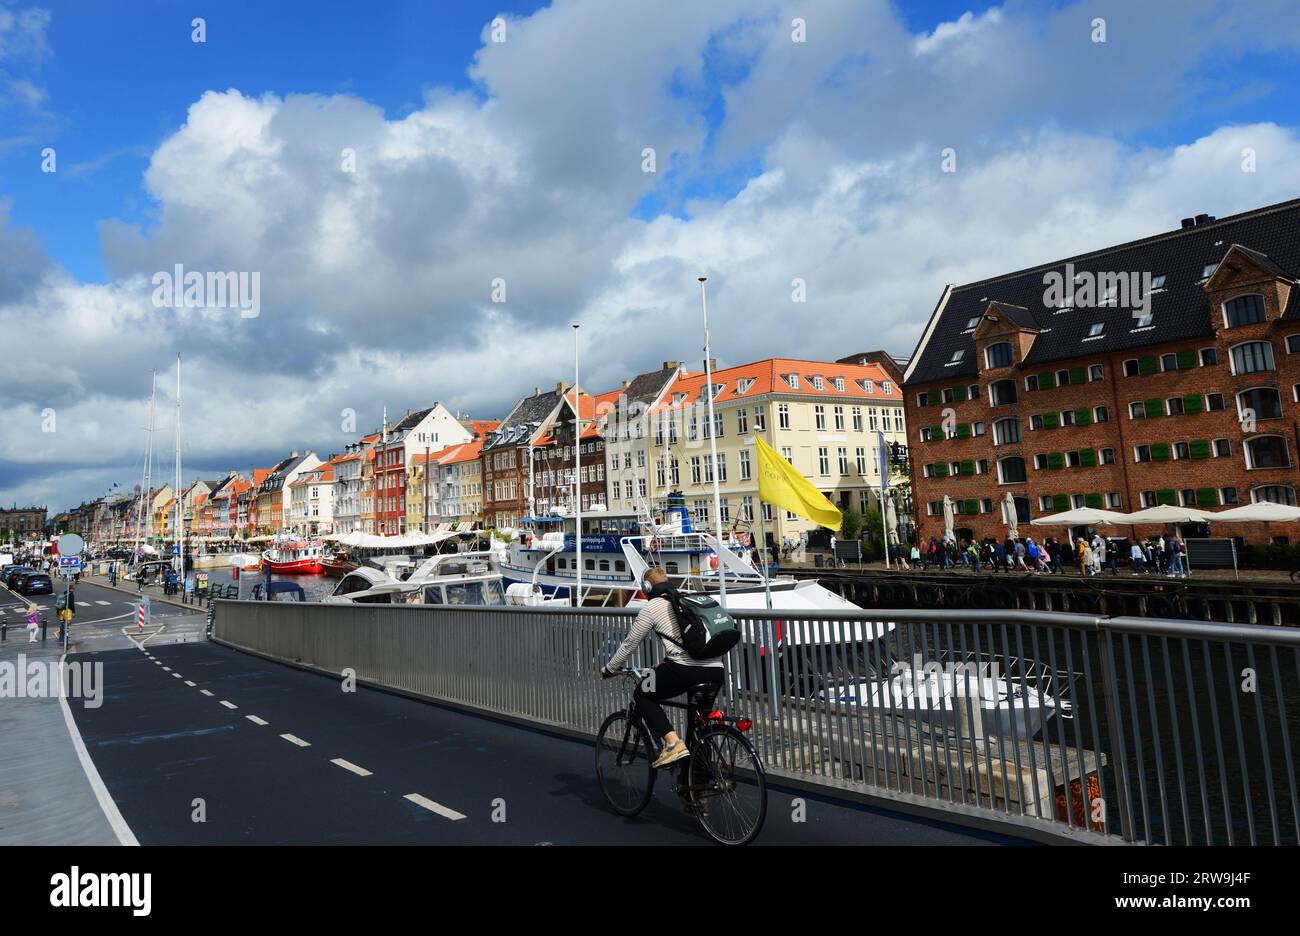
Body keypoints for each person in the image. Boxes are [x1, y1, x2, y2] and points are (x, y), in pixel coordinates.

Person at [600, 567, 724, 772]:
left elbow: (630, 643)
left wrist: (610, 668)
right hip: (716, 669)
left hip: (685, 669)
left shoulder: (652, 607)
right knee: (700, 725)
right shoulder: (686, 600)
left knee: (642, 694)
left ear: (647, 587)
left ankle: (672, 743)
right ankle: (696, 794)